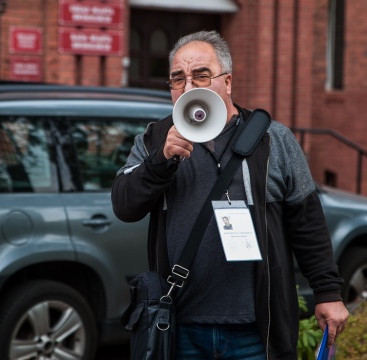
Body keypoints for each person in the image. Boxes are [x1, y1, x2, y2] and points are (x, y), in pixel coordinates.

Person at [112, 30, 348, 360]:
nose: (188, 88)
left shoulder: (271, 139)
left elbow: (306, 222)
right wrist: (160, 162)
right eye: (177, 79)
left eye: (201, 75)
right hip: (180, 329)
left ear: (228, 82)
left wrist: (328, 292)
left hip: (255, 329)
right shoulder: (154, 140)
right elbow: (124, 205)